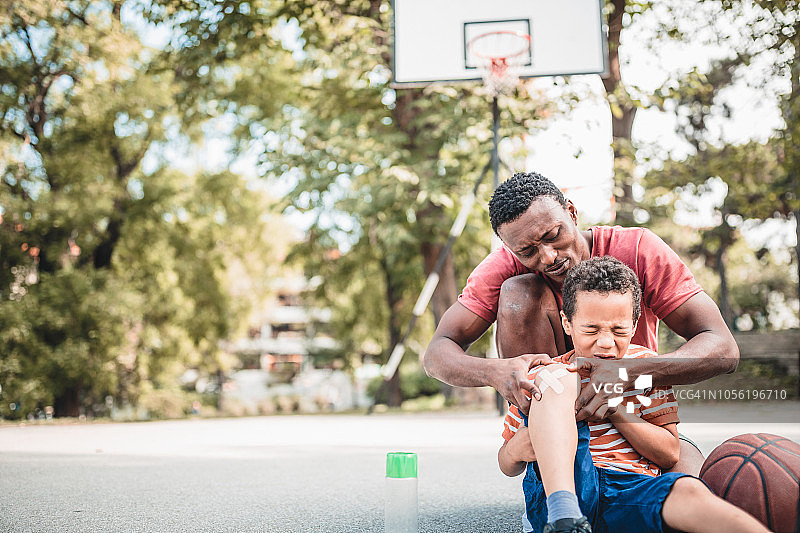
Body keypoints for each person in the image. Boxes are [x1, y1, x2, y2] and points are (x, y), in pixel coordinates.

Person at [422, 171, 739, 474]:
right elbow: (437, 353)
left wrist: (625, 373)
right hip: (558, 423)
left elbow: (723, 347)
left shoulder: (638, 249)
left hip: (632, 413)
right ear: (510, 249)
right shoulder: (505, 266)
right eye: (528, 251)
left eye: (552, 236)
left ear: (571, 213)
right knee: (518, 292)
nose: (547, 257)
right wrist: (494, 372)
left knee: (694, 488)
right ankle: (553, 461)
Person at [498, 256, 768, 533]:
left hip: (631, 487)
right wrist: (515, 449)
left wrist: (615, 406)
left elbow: (669, 454)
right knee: (557, 382)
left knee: (686, 488)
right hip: (569, 481)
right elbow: (506, 464)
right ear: (567, 323)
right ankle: (564, 515)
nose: (606, 342)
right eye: (591, 329)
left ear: (634, 323)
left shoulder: (645, 368)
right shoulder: (544, 372)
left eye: (619, 330)